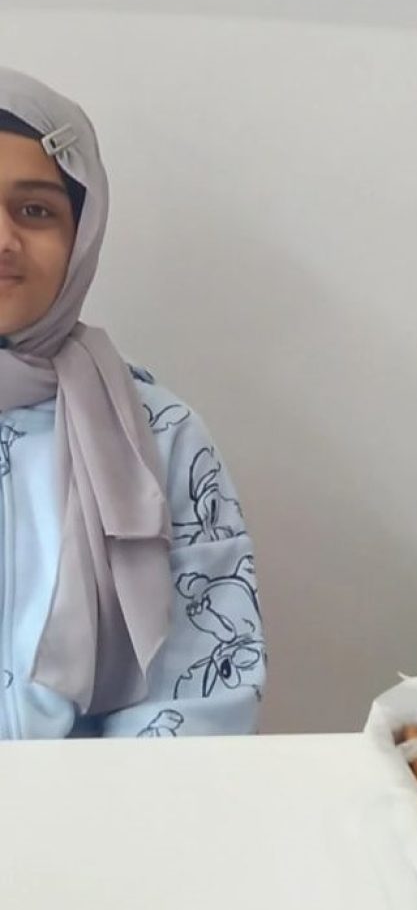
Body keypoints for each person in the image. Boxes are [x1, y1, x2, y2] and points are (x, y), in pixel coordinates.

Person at [0, 68, 263, 737]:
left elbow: (206, 675)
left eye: (35, 211)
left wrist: (107, 821)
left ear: (81, 236)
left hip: (100, 818)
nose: (3, 239)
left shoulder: (155, 431)